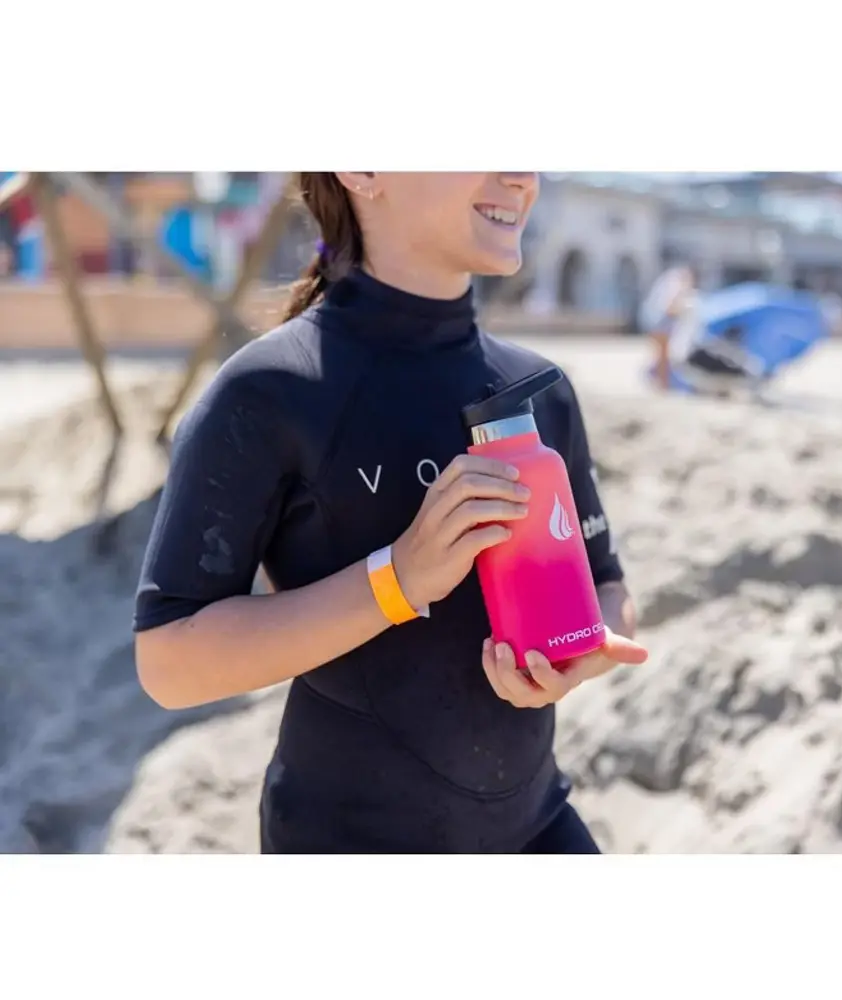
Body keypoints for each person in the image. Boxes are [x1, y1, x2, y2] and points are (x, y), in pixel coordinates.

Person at [132, 172, 648, 854]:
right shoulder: (271, 391)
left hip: (535, 826)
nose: (522, 175)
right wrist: (397, 579)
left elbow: (607, 589)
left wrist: (579, 653)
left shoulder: (539, 392)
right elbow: (168, 661)